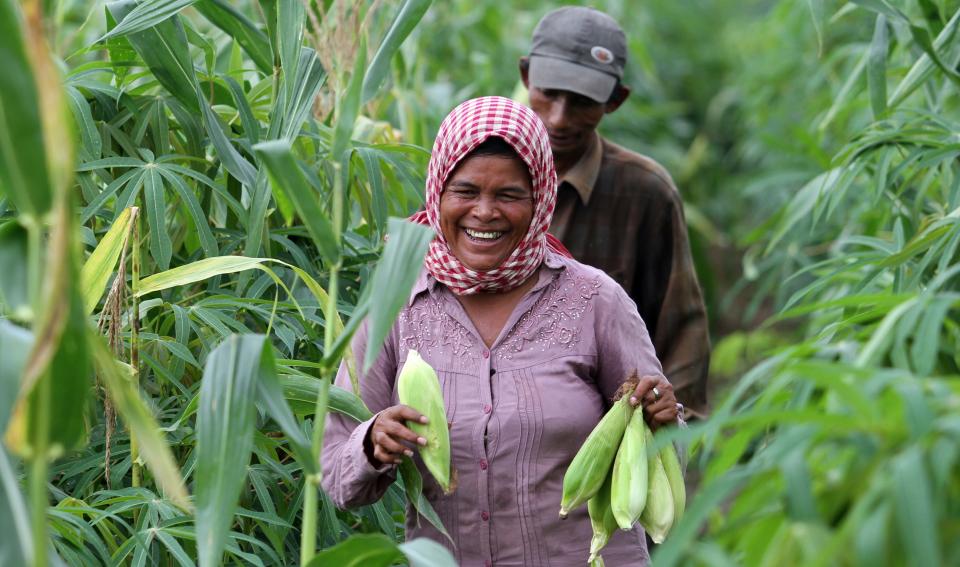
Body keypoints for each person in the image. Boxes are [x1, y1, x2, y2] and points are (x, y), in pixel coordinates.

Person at [322, 96, 679, 567]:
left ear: (541, 200)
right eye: (465, 191)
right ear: (437, 194)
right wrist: (372, 443)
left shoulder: (596, 301)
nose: (484, 212)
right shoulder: (396, 306)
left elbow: (660, 453)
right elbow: (334, 474)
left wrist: (662, 419)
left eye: (509, 195)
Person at [519, 7, 711, 419]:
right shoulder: (473, 172)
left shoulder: (644, 192)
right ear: (525, 77)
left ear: (615, 100)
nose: (559, 117)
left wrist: (676, 427)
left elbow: (680, 326)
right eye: (548, 93)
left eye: (583, 101)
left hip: (609, 430)